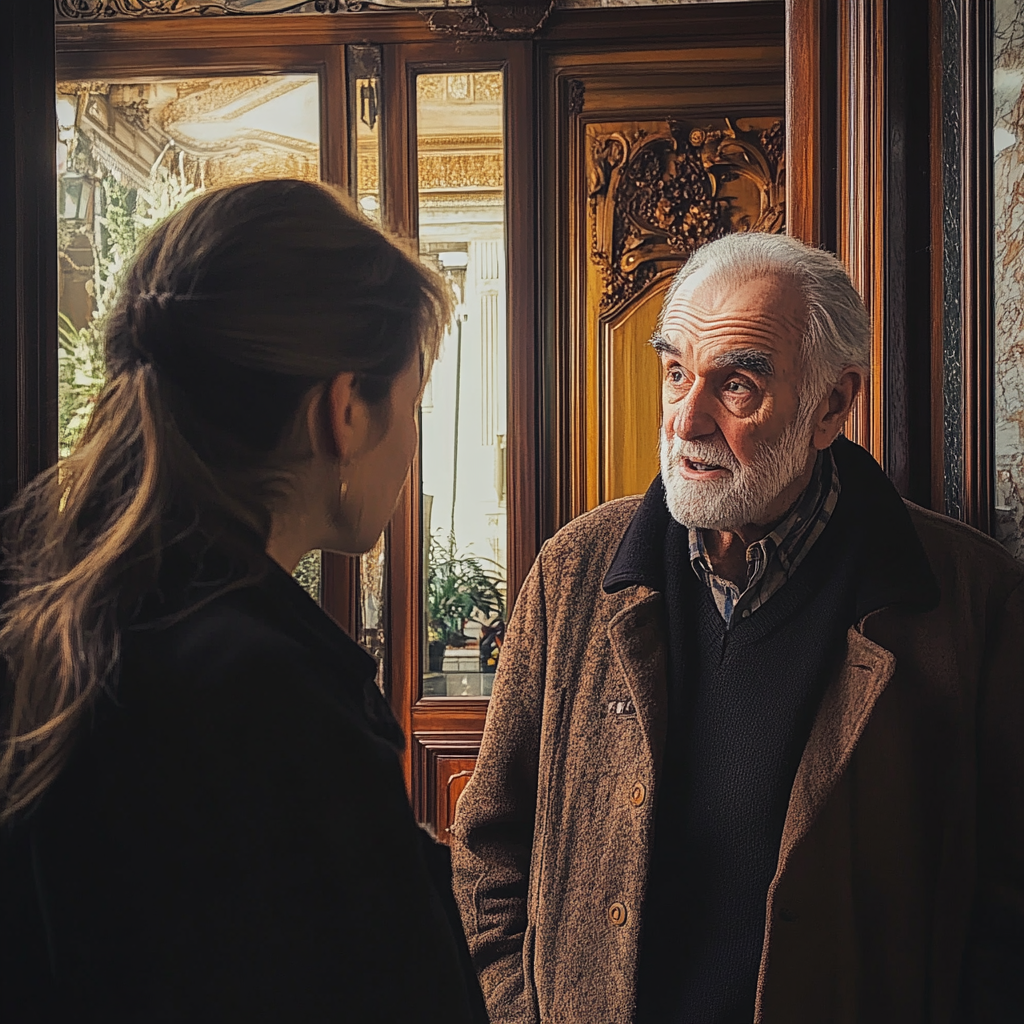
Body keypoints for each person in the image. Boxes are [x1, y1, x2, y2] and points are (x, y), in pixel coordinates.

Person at [451, 232, 1024, 1023]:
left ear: (832, 404)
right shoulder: (575, 570)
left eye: (737, 385)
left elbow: (1008, 899)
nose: (687, 420)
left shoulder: (971, 598)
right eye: (677, 372)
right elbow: (488, 844)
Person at [0, 179, 487, 1023]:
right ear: (343, 410)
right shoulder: (268, 699)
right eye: (412, 405)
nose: (411, 441)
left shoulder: (59, 626)